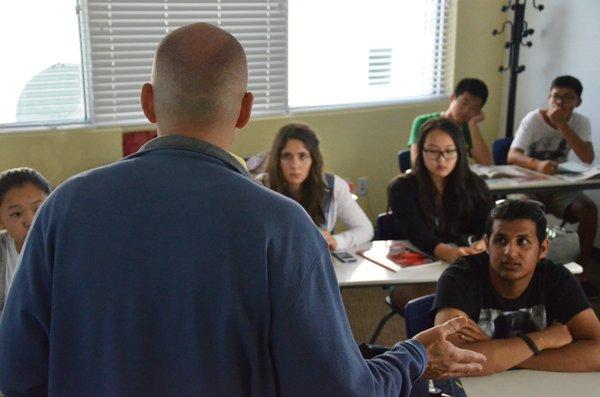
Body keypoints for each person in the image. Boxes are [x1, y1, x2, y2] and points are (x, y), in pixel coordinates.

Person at [0, 23, 486, 396]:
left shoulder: (65, 208)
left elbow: (17, 370)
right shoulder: (281, 226)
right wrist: (410, 358)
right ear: (245, 109)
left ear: (148, 102)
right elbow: (335, 388)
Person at [433, 199, 600, 374]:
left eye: (523, 242)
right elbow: (450, 357)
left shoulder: (556, 279)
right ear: (487, 244)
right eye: (501, 240)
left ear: (542, 248)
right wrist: (542, 340)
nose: (510, 252)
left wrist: (496, 352)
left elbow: (597, 352)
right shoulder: (460, 276)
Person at [388, 118, 493, 308]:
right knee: (443, 303)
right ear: (421, 151)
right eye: (433, 151)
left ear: (460, 152)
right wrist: (449, 253)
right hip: (412, 272)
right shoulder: (402, 187)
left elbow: (489, 225)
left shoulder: (475, 185)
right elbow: (416, 232)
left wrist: (482, 244)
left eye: (449, 151)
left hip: (465, 265)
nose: (441, 159)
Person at [507, 75, 597, 295]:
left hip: (558, 185)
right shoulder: (533, 119)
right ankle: (530, 270)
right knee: (528, 213)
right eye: (556, 96)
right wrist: (536, 164)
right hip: (527, 184)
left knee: (588, 210)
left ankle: (580, 270)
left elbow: (587, 157)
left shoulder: (580, 122)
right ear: (549, 97)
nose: (560, 102)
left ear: (578, 102)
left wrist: (562, 125)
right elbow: (512, 155)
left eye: (568, 98)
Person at [261, 123, 373, 251]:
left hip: (316, 261)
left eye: (302, 156)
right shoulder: (260, 186)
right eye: (287, 156)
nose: (295, 165)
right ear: (277, 159)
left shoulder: (334, 186)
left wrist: (337, 241)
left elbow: (365, 229)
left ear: (313, 159)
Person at [408, 78, 493, 165]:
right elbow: (416, 162)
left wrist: (473, 124)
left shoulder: (467, 128)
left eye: (474, 108)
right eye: (464, 103)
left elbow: (486, 162)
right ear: (453, 98)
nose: (466, 110)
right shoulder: (423, 122)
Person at [0, 167, 51, 312]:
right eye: (16, 214)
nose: (30, 221)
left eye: (38, 208)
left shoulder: (66, 247)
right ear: (1, 221)